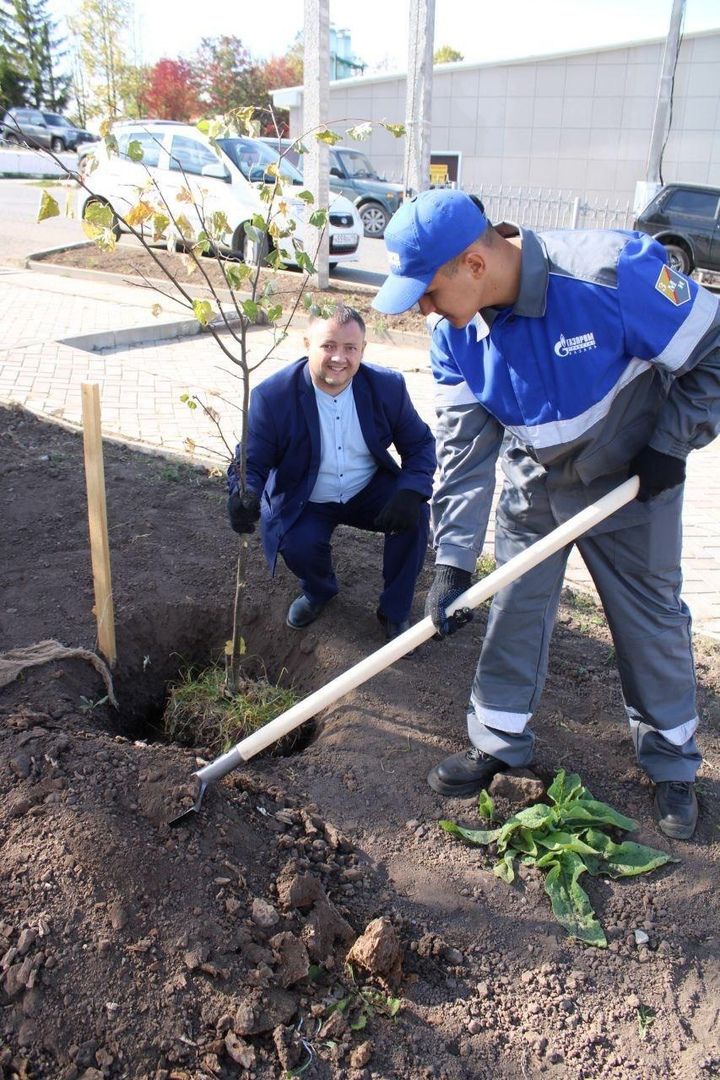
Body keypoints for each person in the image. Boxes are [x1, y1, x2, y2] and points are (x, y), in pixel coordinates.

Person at [373, 188, 720, 840]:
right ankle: (499, 741)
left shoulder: (613, 272)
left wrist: (671, 444)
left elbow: (715, 349)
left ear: (474, 264)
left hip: (633, 484)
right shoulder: (454, 331)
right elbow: (465, 449)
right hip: (536, 484)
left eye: (427, 290)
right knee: (515, 606)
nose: (422, 307)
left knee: (650, 620)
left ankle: (672, 762)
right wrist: (451, 561)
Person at [227, 304, 435, 640]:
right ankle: (319, 590)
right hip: (306, 496)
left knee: (415, 515)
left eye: (350, 348)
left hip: (367, 488)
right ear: (307, 343)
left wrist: (411, 489)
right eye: (328, 346)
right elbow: (252, 458)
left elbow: (421, 444)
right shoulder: (273, 396)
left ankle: (394, 611)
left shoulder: (387, 386)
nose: (339, 358)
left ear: (363, 350)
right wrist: (244, 493)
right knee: (297, 544)